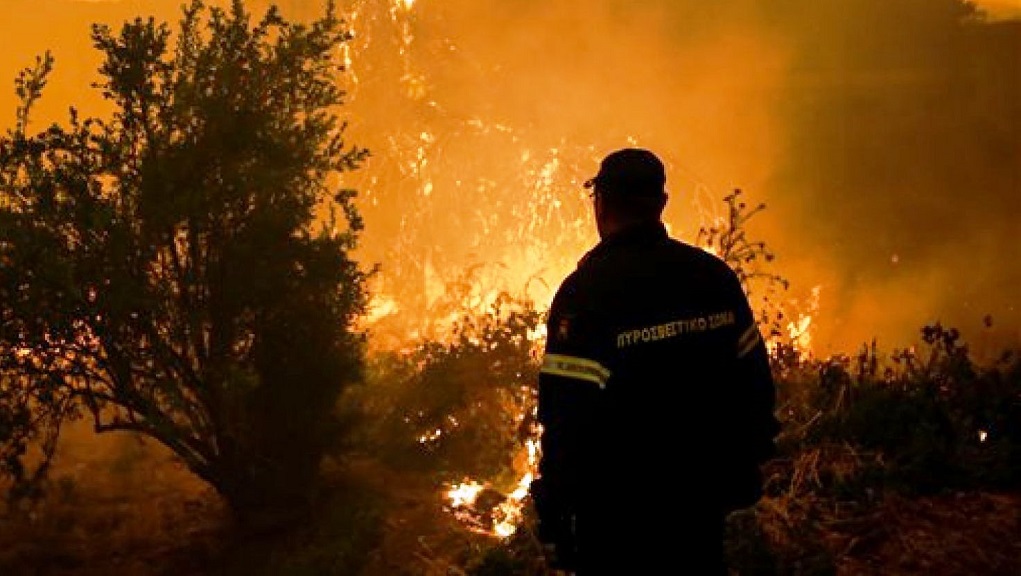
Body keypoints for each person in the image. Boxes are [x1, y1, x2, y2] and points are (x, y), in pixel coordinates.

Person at [529, 148, 780, 575]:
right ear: (662, 203)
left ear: (600, 203)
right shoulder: (712, 277)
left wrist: (555, 509)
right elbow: (755, 383)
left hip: (618, 516)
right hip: (701, 502)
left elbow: (568, 417)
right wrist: (744, 467)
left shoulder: (585, 293)